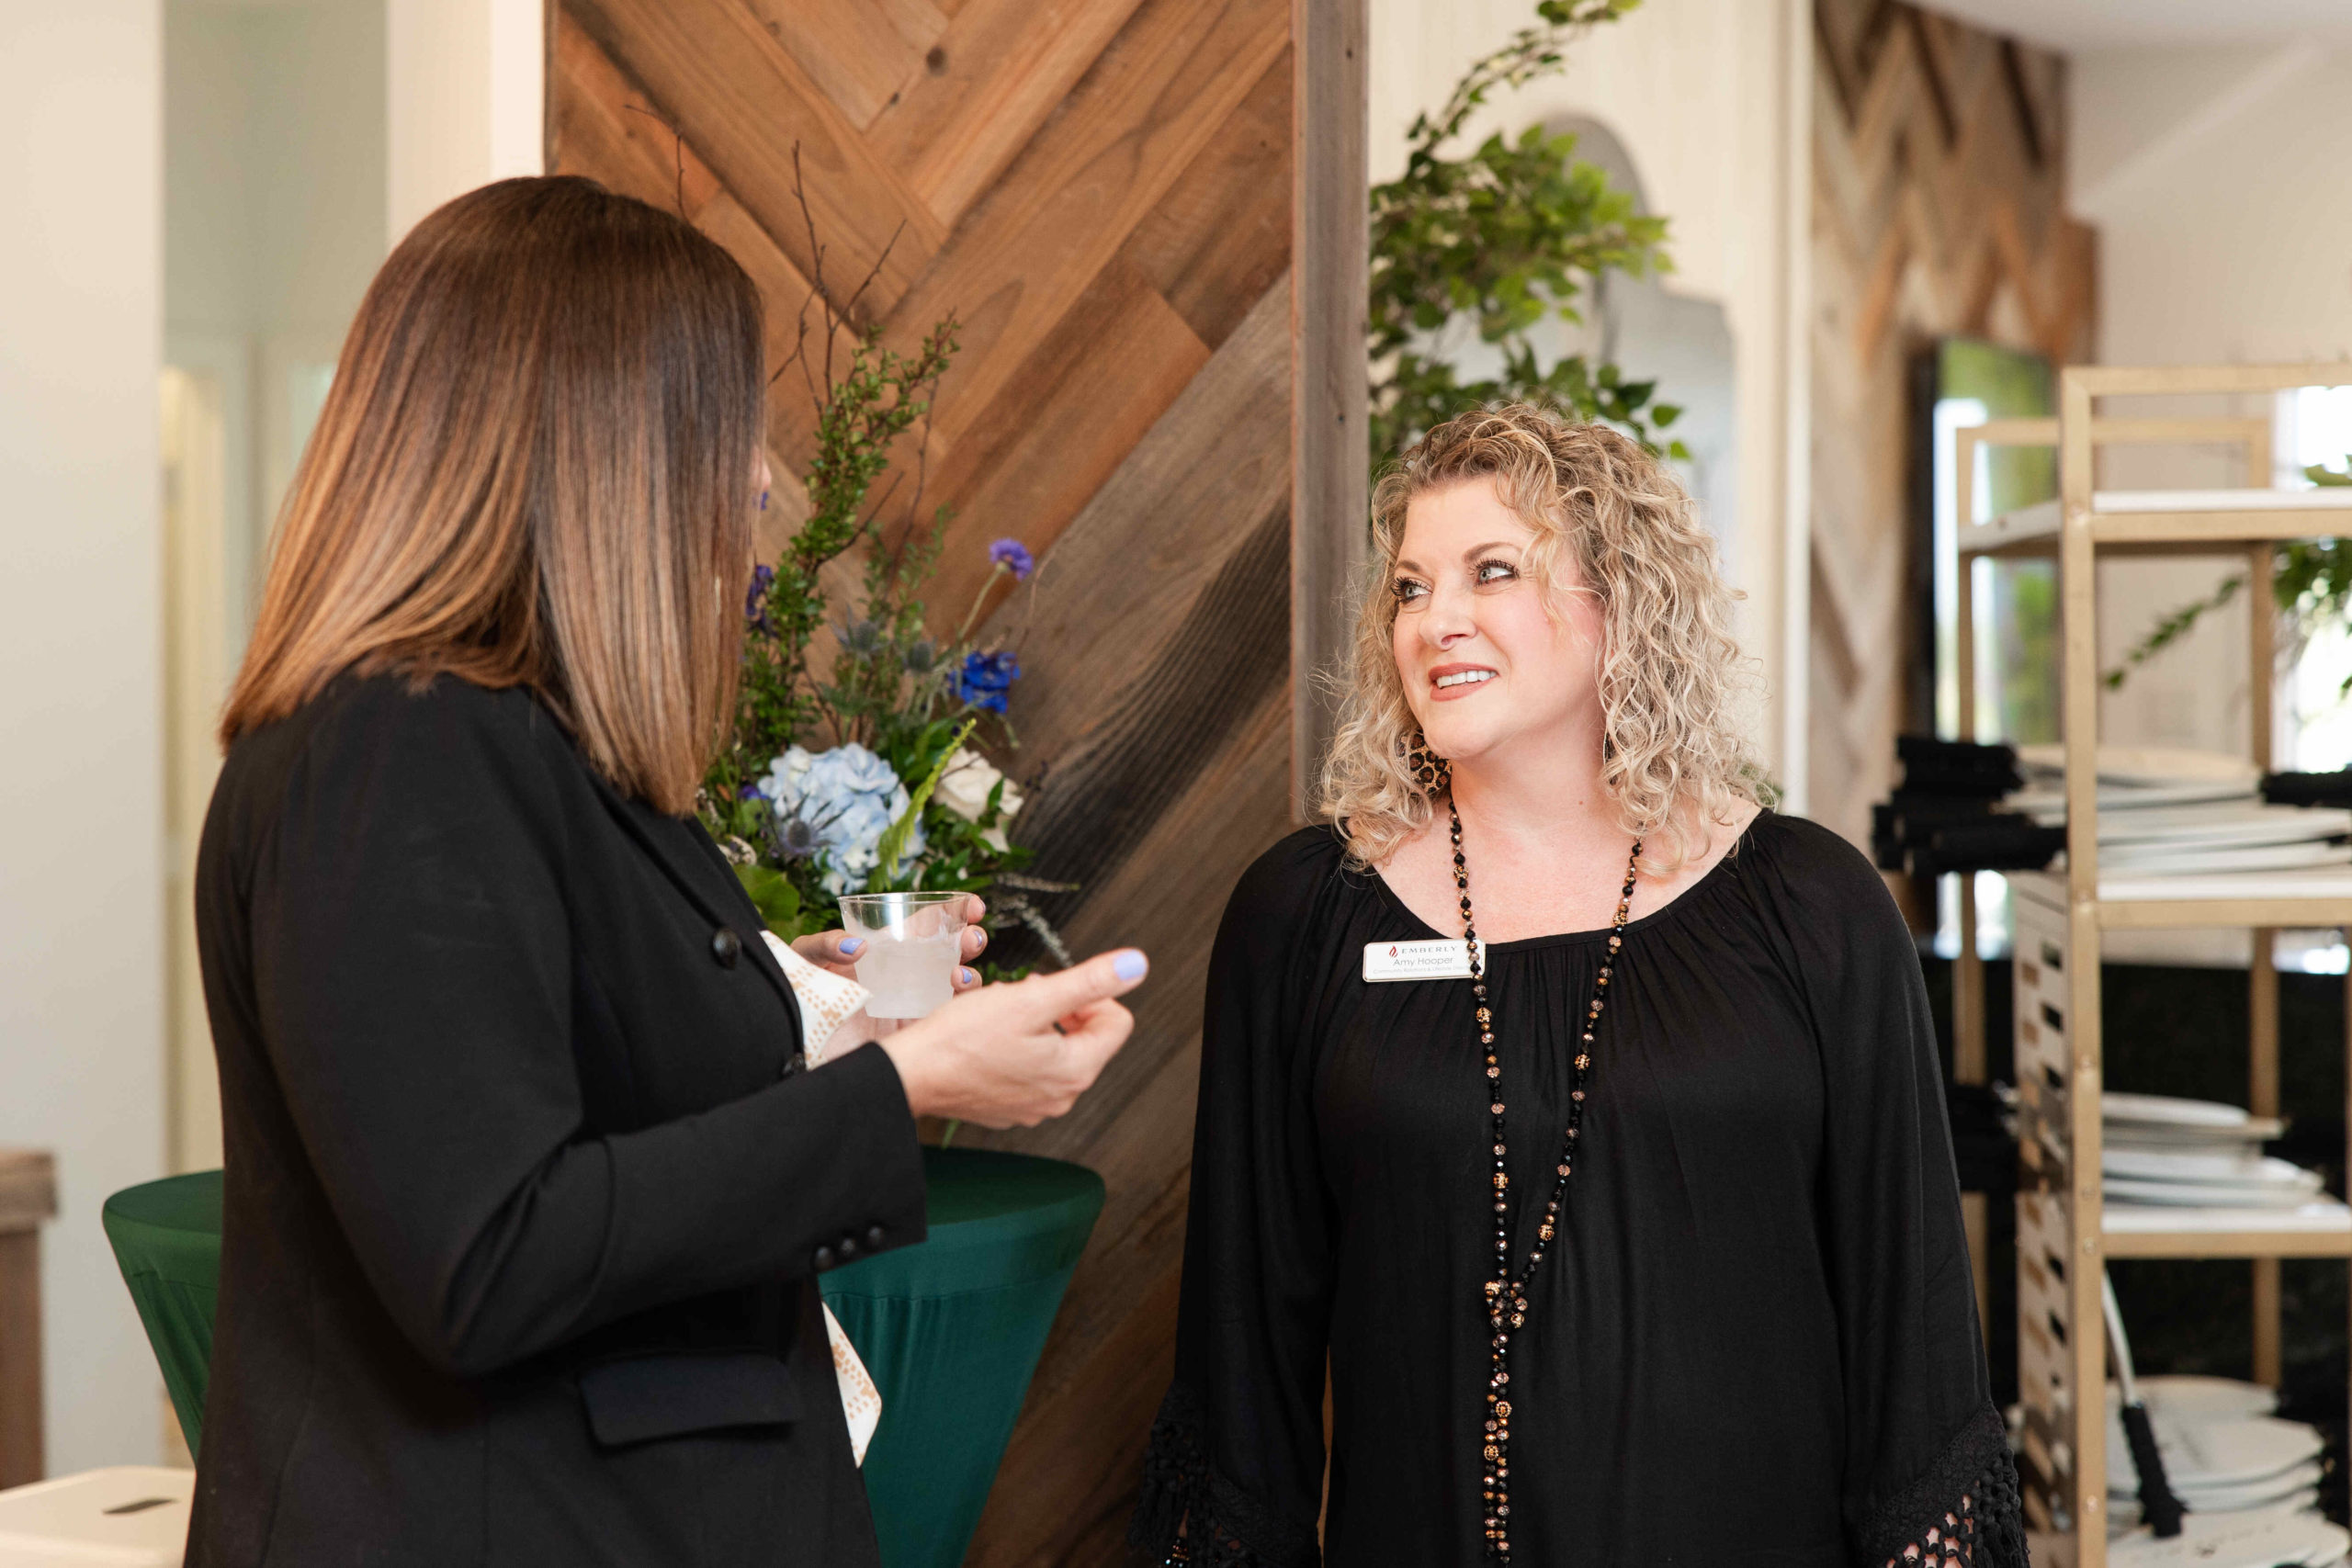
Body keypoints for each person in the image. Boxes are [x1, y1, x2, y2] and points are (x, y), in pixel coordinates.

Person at [188, 176, 1146, 1568]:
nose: (757, 474)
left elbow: (555, 1074)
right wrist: (907, 1085)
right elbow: (490, 1252)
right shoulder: (398, 753)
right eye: (729, 419)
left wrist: (816, 1011)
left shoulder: (507, 743)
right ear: (594, 438)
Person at [1129, 406, 2022, 1567]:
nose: (1433, 621)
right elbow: (1244, 1364)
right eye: (1408, 588)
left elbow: (1913, 1336)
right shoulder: (1302, 917)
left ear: (1619, 603)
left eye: (1490, 572)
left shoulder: (1812, 907)